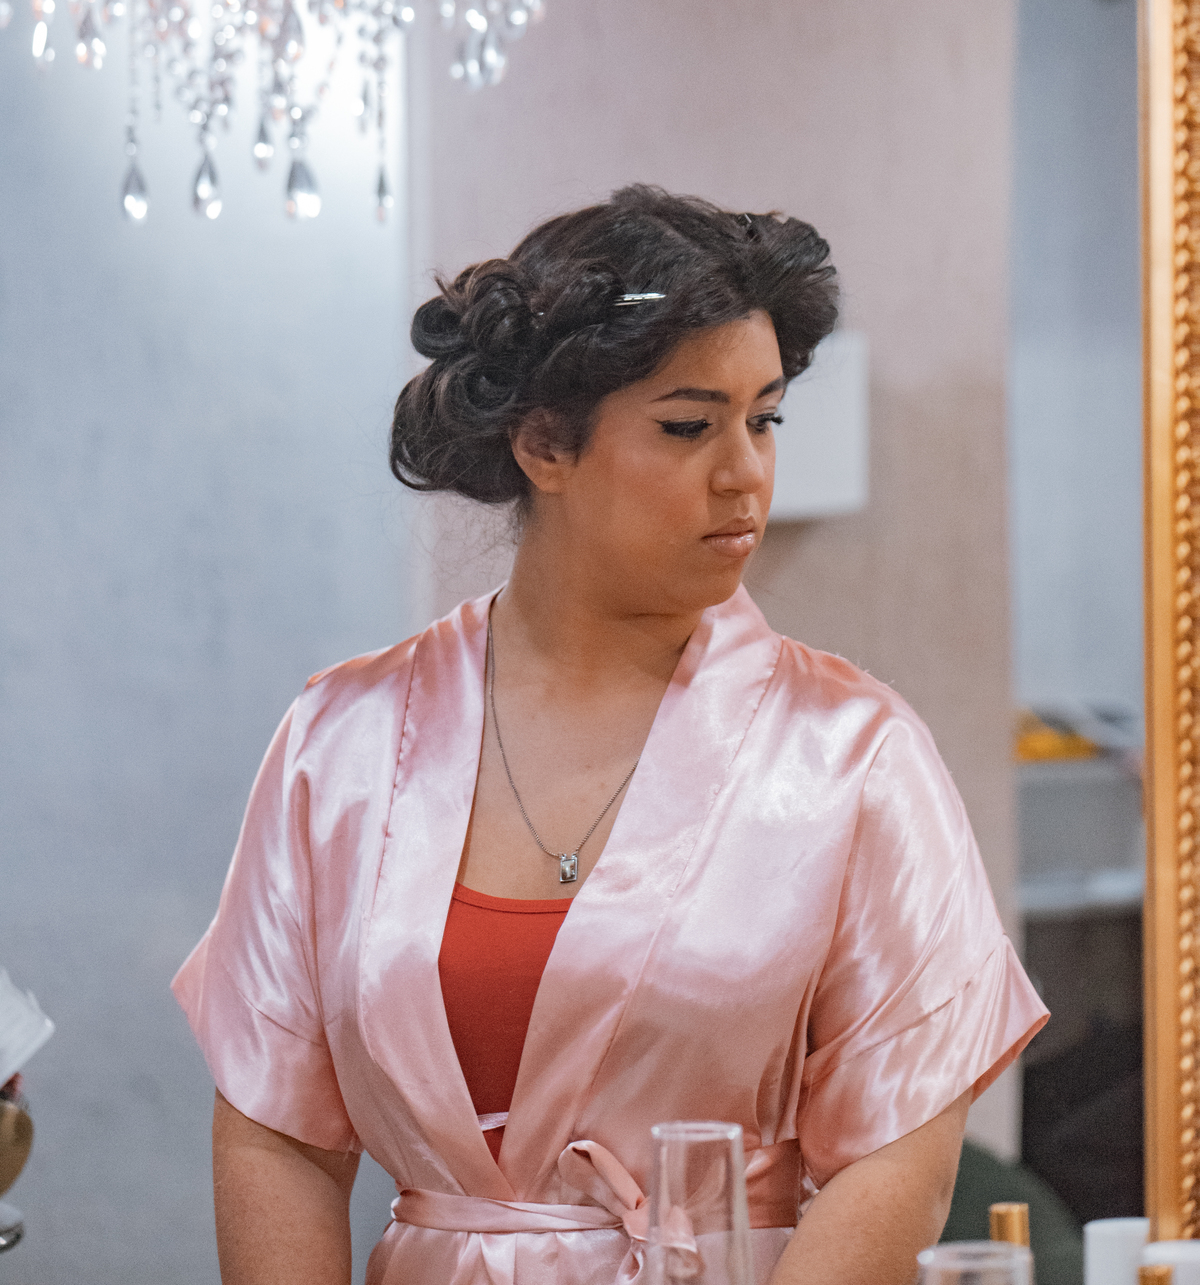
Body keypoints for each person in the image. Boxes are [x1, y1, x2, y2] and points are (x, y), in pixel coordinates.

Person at [174, 185, 1047, 1285]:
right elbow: (279, 1134)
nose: (745, 471)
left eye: (765, 418)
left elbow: (897, 1162)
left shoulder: (851, 757)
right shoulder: (339, 745)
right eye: (689, 426)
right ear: (544, 442)